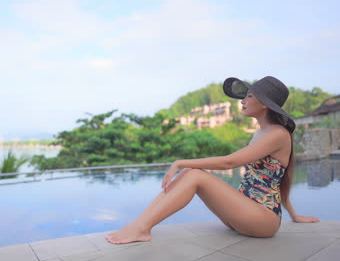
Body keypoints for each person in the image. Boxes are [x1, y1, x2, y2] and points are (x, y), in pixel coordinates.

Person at [106, 76, 320, 244]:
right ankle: (139, 224)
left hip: (263, 220)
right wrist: (295, 215)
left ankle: (142, 229)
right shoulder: (261, 133)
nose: (243, 101)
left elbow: (229, 163)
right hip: (243, 213)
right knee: (191, 173)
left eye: (249, 97)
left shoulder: (278, 134)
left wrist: (181, 162)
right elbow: (279, 180)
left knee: (194, 173)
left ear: (265, 103)